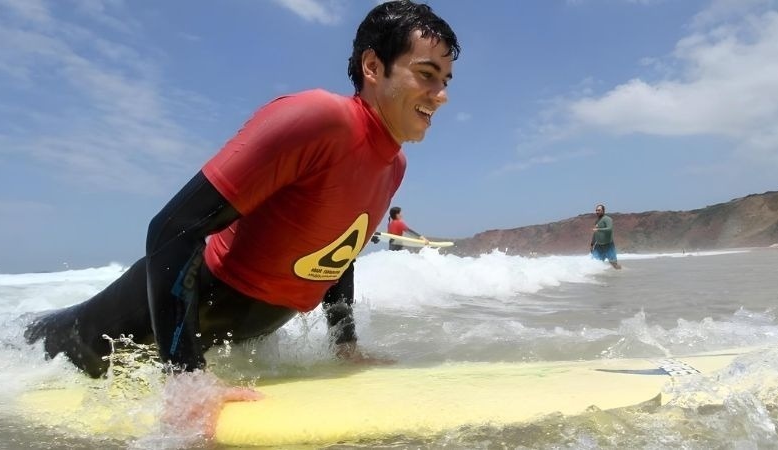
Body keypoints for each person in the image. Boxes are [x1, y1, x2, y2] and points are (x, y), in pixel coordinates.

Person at [23, 1, 460, 379]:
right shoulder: (319, 119)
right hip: (111, 335)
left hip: (198, 341)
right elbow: (171, 229)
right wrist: (188, 381)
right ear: (372, 66)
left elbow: (337, 252)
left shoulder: (393, 165)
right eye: (426, 74)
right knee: (22, 350)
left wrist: (345, 346)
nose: (440, 95)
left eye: (445, 81)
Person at [590, 204, 622, 269]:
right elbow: (595, 233)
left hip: (608, 245)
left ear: (603, 211)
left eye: (599, 210)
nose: (597, 212)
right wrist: (592, 244)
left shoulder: (607, 219)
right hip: (598, 246)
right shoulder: (597, 221)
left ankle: (622, 272)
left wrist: (598, 229)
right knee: (594, 262)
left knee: (614, 264)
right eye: (596, 210)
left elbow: (609, 229)